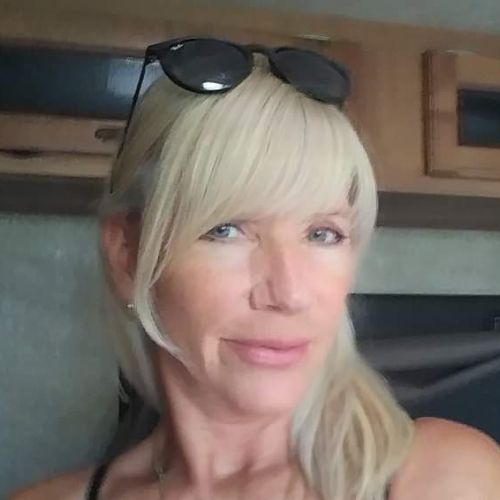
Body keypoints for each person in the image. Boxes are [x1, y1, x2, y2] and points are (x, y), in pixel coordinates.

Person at [11, 37, 500, 500]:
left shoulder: (445, 479)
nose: (289, 293)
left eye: (323, 233)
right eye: (225, 229)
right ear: (128, 255)